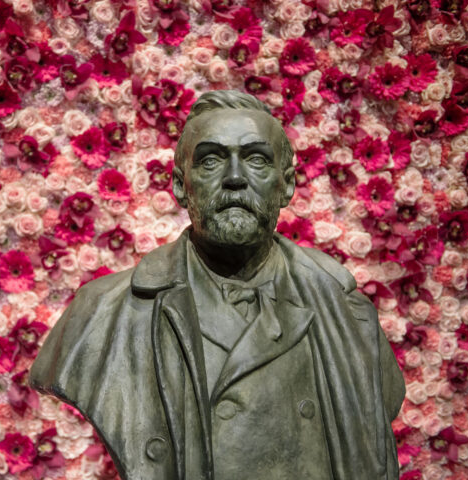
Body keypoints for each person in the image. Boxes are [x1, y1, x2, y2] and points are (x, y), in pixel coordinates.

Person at [29, 90, 405, 480]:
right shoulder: (103, 312)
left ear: (287, 184)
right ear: (179, 185)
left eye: (257, 159)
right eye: (211, 160)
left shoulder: (345, 312)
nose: (235, 178)